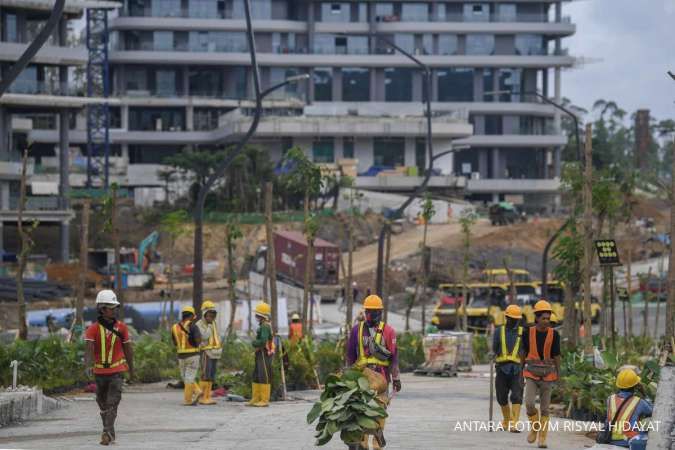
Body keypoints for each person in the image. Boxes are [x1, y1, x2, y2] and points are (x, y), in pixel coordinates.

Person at [347, 295, 401, 449]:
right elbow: (350, 356)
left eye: (375, 312)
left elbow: (394, 358)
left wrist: (396, 378)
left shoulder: (389, 332)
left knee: (378, 411)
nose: (372, 315)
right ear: (366, 312)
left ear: (380, 312)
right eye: (370, 312)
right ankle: (362, 443)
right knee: (363, 411)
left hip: (380, 379)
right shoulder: (356, 331)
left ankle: (376, 444)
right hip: (362, 379)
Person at [84, 290, 134, 446]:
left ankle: (106, 432)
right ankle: (110, 431)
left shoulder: (122, 328)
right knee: (102, 403)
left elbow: (128, 350)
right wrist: (87, 366)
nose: (115, 310)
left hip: (117, 372)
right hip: (99, 373)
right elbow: (89, 349)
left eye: (115, 307)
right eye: (112, 307)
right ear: (102, 309)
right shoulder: (92, 329)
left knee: (112, 402)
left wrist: (132, 369)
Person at [521, 300, 560, 449]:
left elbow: (556, 355)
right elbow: (523, 352)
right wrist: (520, 372)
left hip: (547, 375)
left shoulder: (554, 334)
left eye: (548, 318)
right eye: (543, 318)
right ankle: (534, 427)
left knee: (545, 409)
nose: (546, 321)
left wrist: (559, 374)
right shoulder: (528, 333)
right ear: (536, 318)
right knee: (530, 404)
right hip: (531, 373)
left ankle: (542, 438)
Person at [492, 304, 524, 433]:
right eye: (512, 318)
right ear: (506, 317)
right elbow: (494, 348)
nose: (514, 321)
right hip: (502, 369)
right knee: (501, 397)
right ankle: (506, 420)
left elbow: (525, 351)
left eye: (516, 319)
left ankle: (514, 424)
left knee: (517, 396)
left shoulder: (523, 333)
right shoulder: (499, 331)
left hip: (517, 370)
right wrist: (492, 354)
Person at [604, 368, 653, 449]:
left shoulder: (610, 399)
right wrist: (644, 394)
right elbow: (653, 412)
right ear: (636, 386)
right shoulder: (639, 402)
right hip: (629, 441)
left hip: (610, 438)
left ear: (618, 385)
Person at [171, 305, 202, 406]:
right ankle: (192, 396)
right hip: (193, 356)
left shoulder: (174, 328)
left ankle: (193, 395)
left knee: (185, 378)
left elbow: (175, 343)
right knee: (189, 377)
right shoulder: (193, 326)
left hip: (181, 357)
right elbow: (198, 341)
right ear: (191, 316)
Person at [248, 302, 274, 407]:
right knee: (256, 375)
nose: (256, 316)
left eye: (257, 314)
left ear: (261, 315)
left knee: (264, 375)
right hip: (260, 352)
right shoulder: (263, 325)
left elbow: (263, 341)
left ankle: (264, 399)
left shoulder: (264, 326)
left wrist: (254, 342)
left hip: (264, 353)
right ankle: (255, 398)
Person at [196, 300, 222, 405]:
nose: (211, 317)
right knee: (205, 374)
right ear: (204, 314)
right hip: (206, 352)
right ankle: (202, 397)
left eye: (213, 314)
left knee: (211, 375)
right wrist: (210, 327)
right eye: (210, 314)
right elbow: (204, 336)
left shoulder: (214, 323)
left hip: (215, 352)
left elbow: (218, 336)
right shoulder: (199, 324)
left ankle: (208, 396)